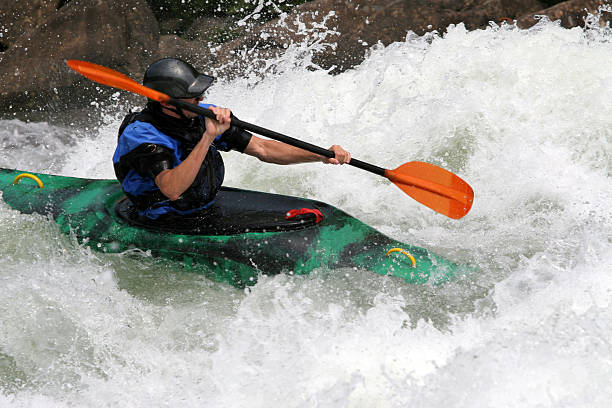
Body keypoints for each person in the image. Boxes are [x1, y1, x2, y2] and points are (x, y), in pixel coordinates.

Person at [113, 57, 351, 221]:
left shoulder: (200, 115)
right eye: (193, 96)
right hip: (161, 215)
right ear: (167, 103)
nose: (201, 98)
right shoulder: (142, 135)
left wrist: (320, 155)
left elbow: (263, 149)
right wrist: (208, 137)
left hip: (202, 207)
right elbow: (172, 189)